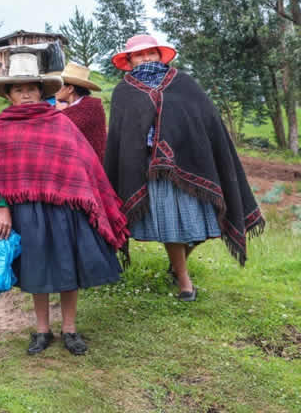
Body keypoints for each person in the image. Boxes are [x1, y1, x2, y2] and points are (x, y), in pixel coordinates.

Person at [0, 51, 128, 356]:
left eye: (31, 88)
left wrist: (83, 197)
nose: (26, 94)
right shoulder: (0, 126)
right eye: (19, 90)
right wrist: (1, 208)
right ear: (8, 94)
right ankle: (41, 330)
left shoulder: (59, 122)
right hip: (23, 211)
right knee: (36, 269)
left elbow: (81, 161)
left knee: (67, 266)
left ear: (40, 91)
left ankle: (70, 329)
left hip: (63, 208)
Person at [104, 35, 264, 302]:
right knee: (172, 229)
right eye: (138, 55)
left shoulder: (183, 82)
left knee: (200, 226)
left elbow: (208, 120)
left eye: (150, 54)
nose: (145, 59)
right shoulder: (124, 91)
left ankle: (176, 266)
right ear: (129, 60)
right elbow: (122, 136)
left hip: (190, 165)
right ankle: (184, 282)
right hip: (150, 171)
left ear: (159, 55)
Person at [54, 62, 107, 163]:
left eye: (59, 86)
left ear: (70, 89)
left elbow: (63, 128)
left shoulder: (91, 107)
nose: (56, 90)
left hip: (89, 164)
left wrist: (59, 112)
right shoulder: (64, 107)